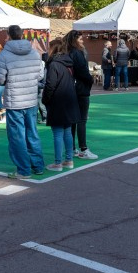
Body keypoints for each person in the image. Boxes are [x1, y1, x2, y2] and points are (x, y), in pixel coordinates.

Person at [0, 25, 45, 179]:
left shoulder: (4, 55)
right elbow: (40, 75)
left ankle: (23, 169)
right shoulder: (34, 53)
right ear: (22, 35)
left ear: (8, 35)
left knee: (17, 136)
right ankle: (38, 166)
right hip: (30, 98)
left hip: (15, 100)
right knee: (32, 133)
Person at [42, 39, 80, 172]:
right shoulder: (69, 63)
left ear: (53, 49)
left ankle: (58, 163)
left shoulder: (54, 64)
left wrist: (45, 99)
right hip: (70, 99)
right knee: (67, 131)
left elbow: (50, 85)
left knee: (57, 133)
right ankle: (68, 160)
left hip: (58, 100)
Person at [64, 30, 97, 160]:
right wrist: (90, 80)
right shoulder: (77, 53)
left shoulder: (67, 52)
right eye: (81, 39)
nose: (83, 42)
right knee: (81, 120)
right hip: (80, 89)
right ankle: (83, 148)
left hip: (70, 89)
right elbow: (83, 72)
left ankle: (72, 149)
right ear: (75, 40)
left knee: (73, 120)